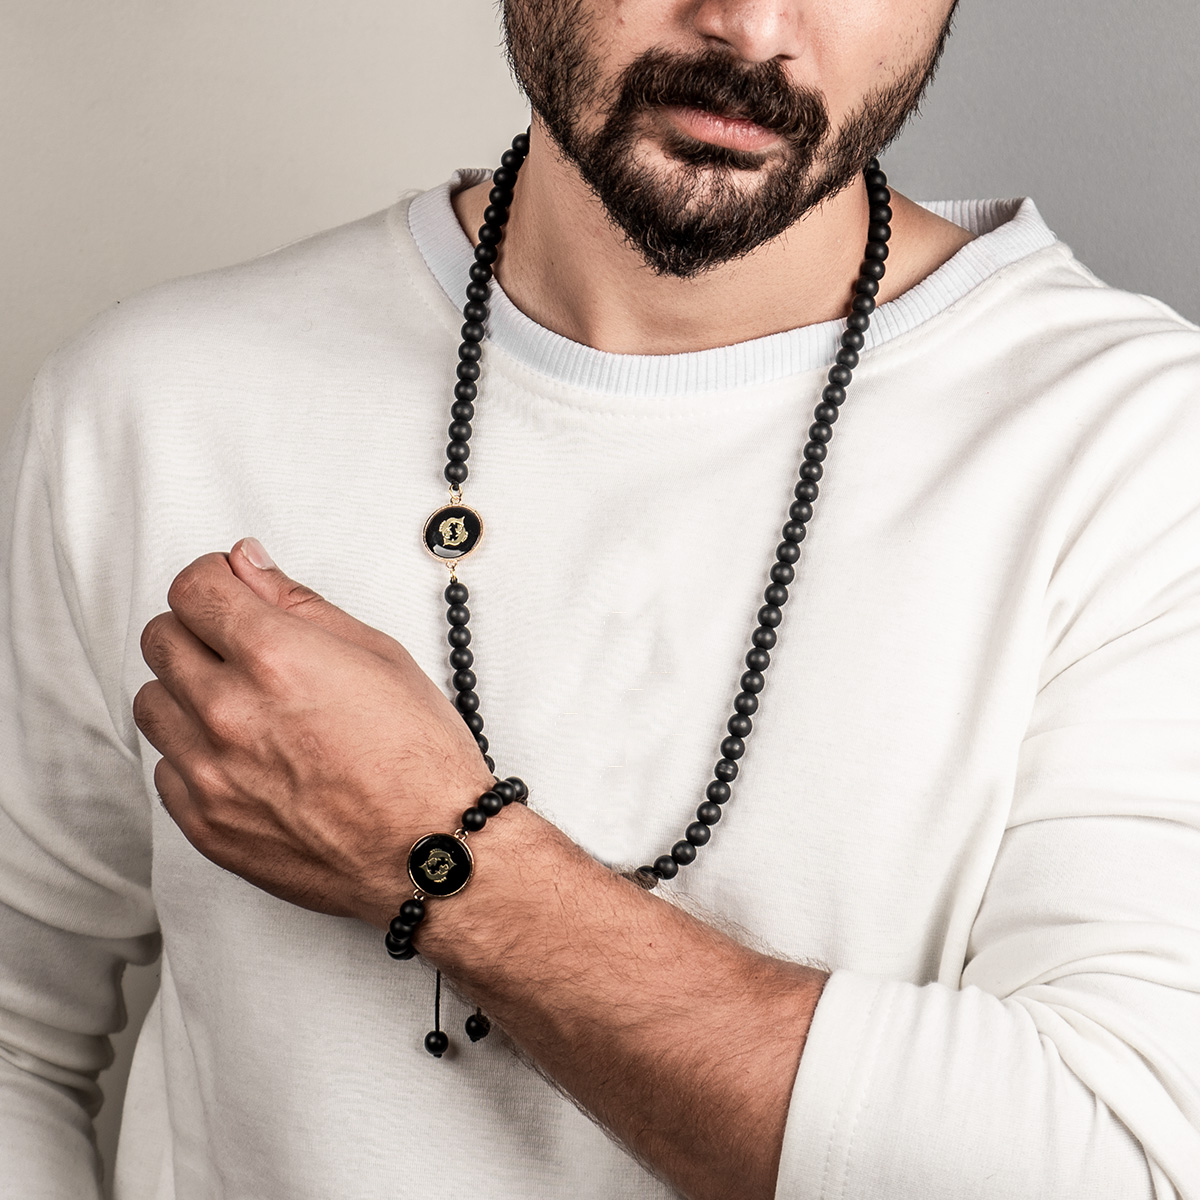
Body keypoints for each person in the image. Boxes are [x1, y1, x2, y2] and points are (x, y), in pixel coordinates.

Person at [2, 0, 1198, 1196]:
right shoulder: (158, 399)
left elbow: (1122, 1162)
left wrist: (440, 855)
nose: (751, 28)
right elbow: (16, 1040)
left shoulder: (1137, 449)